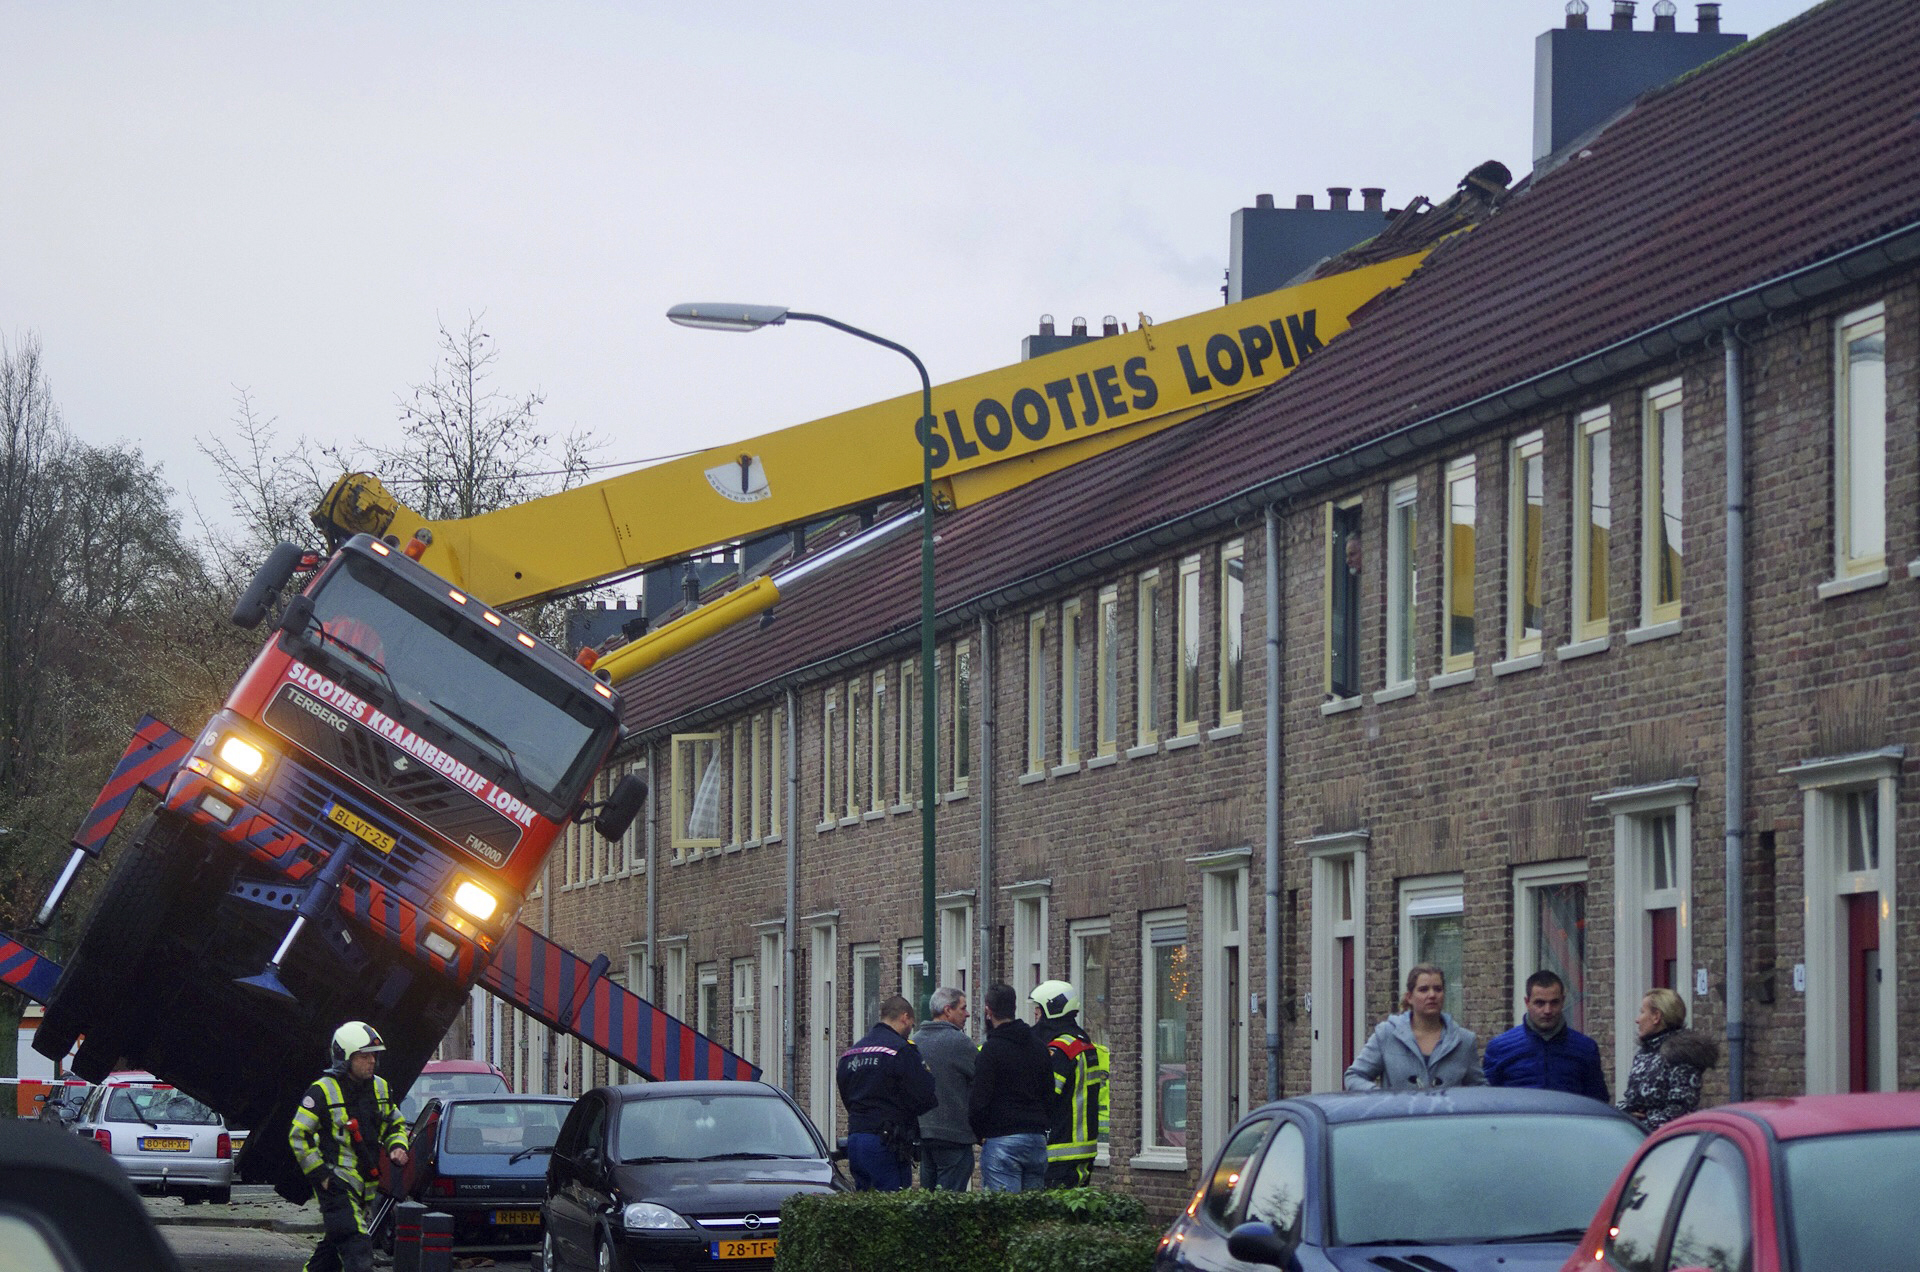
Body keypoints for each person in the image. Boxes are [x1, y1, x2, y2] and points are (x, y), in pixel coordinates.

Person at [288, 1021, 410, 1272]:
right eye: (364, 1056)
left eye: (374, 1056)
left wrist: (398, 1146)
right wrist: (322, 1177)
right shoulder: (321, 1091)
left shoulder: (381, 1088)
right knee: (358, 1244)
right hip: (336, 1186)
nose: (372, 1062)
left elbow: (394, 1125)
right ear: (344, 1057)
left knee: (333, 1250)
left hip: (364, 1187)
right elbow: (299, 1135)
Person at [836, 994, 937, 1191]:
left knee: (865, 1204)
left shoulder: (852, 1053)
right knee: (892, 1207)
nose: (910, 1030)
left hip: (856, 1140)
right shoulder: (900, 1050)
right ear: (905, 1017)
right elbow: (925, 1094)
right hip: (887, 1142)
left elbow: (846, 1094)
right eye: (911, 1024)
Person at [967, 982, 1053, 1192]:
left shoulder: (990, 1051)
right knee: (1032, 1214)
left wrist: (980, 1133)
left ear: (988, 1010)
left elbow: (979, 1101)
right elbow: (1049, 1095)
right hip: (1035, 1139)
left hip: (1002, 1140)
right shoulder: (1039, 1047)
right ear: (1014, 1008)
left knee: (1003, 1215)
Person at [1344, 965, 1487, 1091]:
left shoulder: (1464, 1041)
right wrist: (1382, 1098)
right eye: (1423, 990)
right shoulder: (1387, 1034)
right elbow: (1354, 1076)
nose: (1432, 995)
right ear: (1409, 997)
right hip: (1399, 1118)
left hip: (1444, 1119)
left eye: (1437, 989)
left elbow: (1479, 1088)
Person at [1028, 979, 1110, 1187]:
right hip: (1082, 1148)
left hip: (1060, 1148)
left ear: (1052, 1008)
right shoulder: (1082, 1042)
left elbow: (1044, 1094)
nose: (1036, 1016)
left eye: (1039, 1010)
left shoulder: (1062, 1049)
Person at [1482, 970, 1609, 1100]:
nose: (1547, 1010)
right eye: (1540, 1003)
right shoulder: (1500, 1048)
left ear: (1563, 1001)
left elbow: (1598, 1102)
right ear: (1527, 1002)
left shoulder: (1585, 1049)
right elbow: (1488, 1102)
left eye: (1554, 1002)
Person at [1618, 987, 1718, 1130]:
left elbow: (1680, 1110)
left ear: (1656, 1016)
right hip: (1634, 1138)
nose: (1637, 1020)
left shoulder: (1681, 1054)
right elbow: (1631, 1100)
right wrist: (1621, 1115)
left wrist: (1641, 1127)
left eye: (1642, 1012)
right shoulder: (1644, 1053)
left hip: (1665, 1142)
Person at [909, 986, 976, 1190]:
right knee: (950, 1202)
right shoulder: (960, 1043)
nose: (967, 1014)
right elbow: (981, 1082)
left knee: (929, 1197)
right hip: (954, 1135)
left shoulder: (914, 1043)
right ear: (948, 1010)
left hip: (924, 1134)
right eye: (963, 1008)